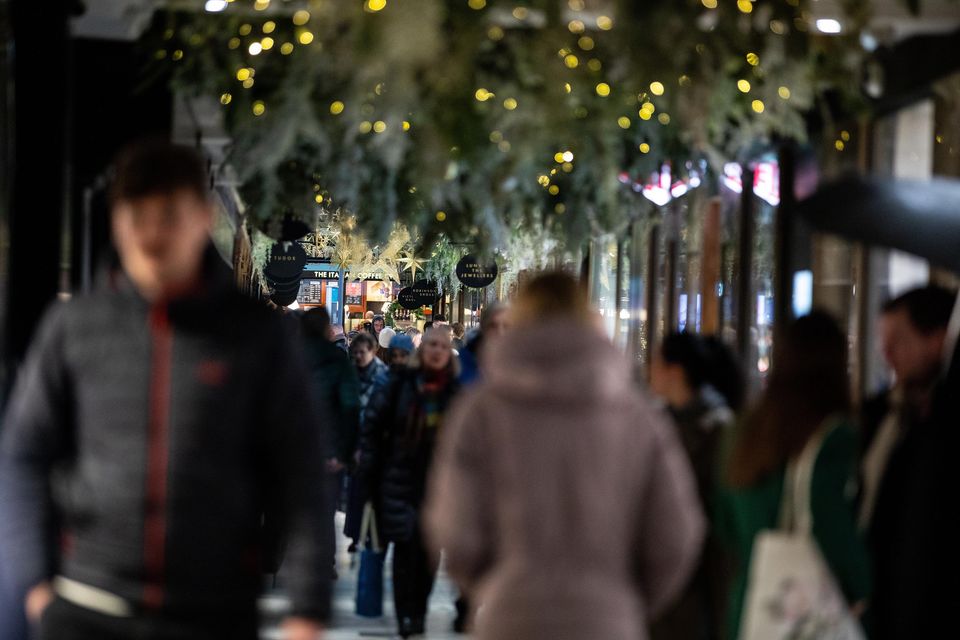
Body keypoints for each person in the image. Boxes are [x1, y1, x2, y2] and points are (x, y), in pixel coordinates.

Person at [0, 141, 330, 640]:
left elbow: (300, 471)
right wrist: (33, 585)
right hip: (86, 605)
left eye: (169, 216)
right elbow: (23, 455)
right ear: (117, 220)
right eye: (137, 216)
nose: (152, 234)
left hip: (213, 610)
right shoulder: (74, 327)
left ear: (201, 217)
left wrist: (307, 609)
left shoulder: (254, 335)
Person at [425, 271, 705, 640]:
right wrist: (626, 600)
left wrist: (492, 586)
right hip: (608, 621)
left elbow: (455, 528)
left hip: (511, 618)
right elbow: (676, 534)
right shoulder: (639, 418)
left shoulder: (480, 412)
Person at [717, 312, 871, 640]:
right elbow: (832, 528)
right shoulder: (830, 437)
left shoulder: (743, 431)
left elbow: (723, 521)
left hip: (753, 605)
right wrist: (865, 588)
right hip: (803, 615)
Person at [859, 285, 955, 639]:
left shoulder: (939, 425)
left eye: (898, 340)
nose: (886, 353)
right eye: (884, 341)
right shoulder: (879, 413)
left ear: (937, 340)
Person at [360, 329, 461, 638]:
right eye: (431, 344)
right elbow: (374, 427)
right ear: (422, 349)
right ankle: (406, 614)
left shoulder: (457, 393)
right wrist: (370, 472)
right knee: (406, 551)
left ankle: (418, 610)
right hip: (400, 480)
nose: (437, 351)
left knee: (430, 554)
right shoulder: (400, 384)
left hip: (441, 486)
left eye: (443, 346)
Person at [648, 332, 742, 640]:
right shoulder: (661, 423)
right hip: (674, 581)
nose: (650, 370)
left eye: (656, 362)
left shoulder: (716, 428)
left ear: (675, 371)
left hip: (703, 577)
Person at [302, 307, 361, 579]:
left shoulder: (287, 358)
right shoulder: (338, 362)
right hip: (329, 448)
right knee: (325, 508)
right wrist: (346, 451)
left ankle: (295, 557)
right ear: (327, 330)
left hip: (294, 448)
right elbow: (351, 408)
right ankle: (324, 561)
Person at [343, 332, 390, 547]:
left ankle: (372, 534)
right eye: (356, 352)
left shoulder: (382, 376)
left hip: (375, 440)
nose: (359, 356)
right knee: (356, 491)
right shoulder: (350, 373)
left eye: (363, 352)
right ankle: (355, 534)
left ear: (373, 351)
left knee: (373, 490)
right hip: (354, 437)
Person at [458, 302, 510, 386]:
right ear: (483, 328)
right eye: (493, 326)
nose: (500, 332)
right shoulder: (462, 362)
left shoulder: (525, 364)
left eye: (506, 326)